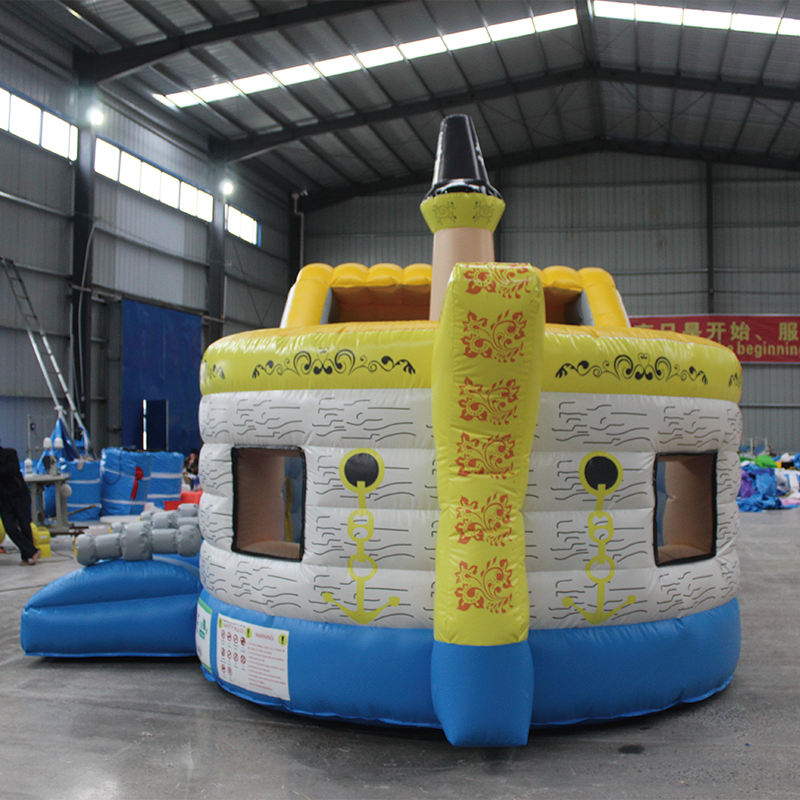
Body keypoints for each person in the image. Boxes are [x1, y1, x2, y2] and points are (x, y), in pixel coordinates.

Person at [0, 440, 40, 565]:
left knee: (24, 525)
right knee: (10, 528)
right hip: (3, 500)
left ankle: (27, 557)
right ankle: (33, 551)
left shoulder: (10, 454)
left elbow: (10, 470)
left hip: (19, 496)